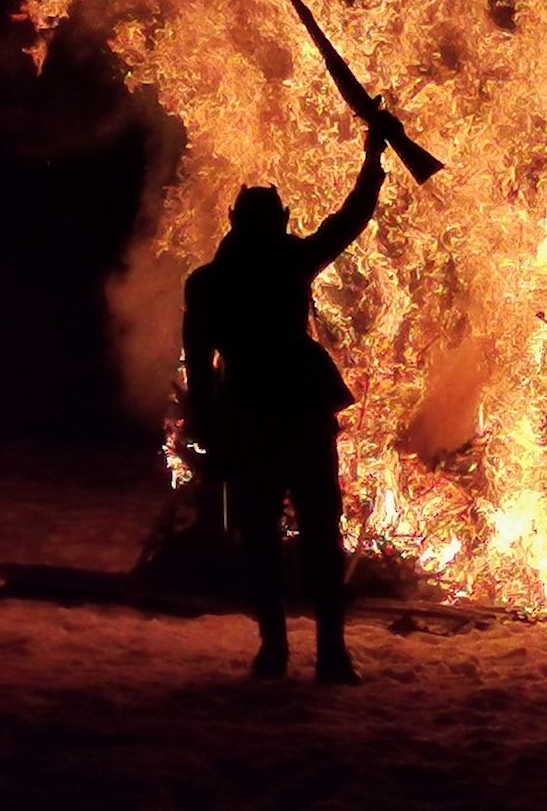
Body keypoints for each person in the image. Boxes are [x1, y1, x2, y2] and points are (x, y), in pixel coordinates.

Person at [182, 110, 396, 685]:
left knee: (263, 538)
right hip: (295, 411)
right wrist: (373, 159)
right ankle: (329, 654)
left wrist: (205, 429)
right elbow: (350, 220)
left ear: (233, 222)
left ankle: (277, 651)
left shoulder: (208, 282)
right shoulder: (288, 260)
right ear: (278, 221)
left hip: (250, 413)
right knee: (319, 535)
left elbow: (200, 367)